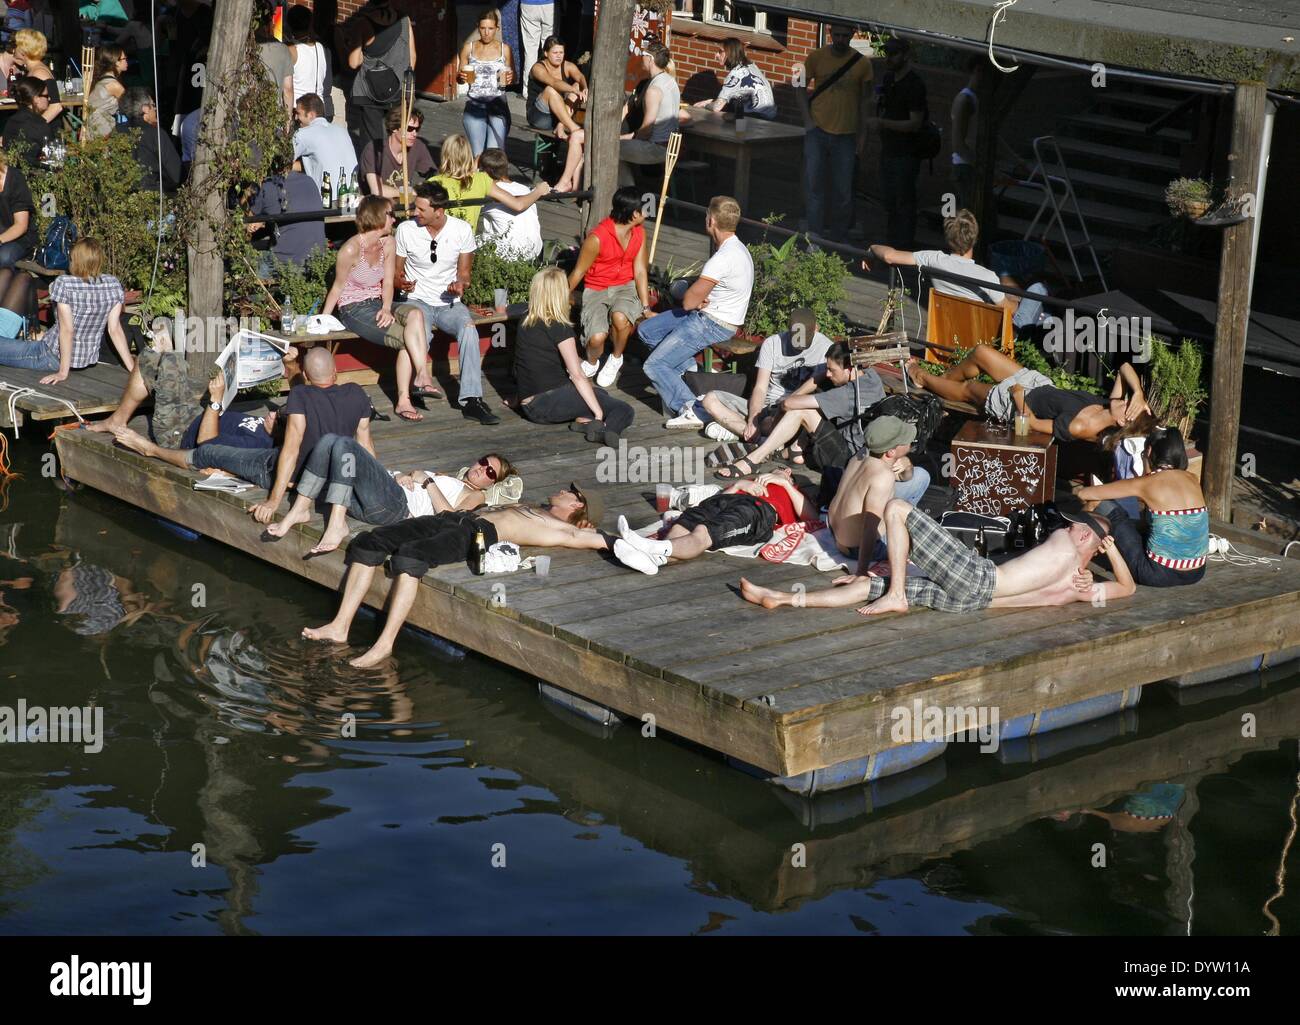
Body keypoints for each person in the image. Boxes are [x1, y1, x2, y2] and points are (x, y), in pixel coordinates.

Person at [302, 483, 608, 668]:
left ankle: (384, 645)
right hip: (450, 519)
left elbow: (603, 539)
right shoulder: (534, 506)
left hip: (477, 533)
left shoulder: (563, 529)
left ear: (578, 505)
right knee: (369, 541)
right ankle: (340, 626)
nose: (564, 490)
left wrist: (655, 539)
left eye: (571, 492)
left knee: (411, 556)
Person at [741, 501, 1136, 616]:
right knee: (865, 587)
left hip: (978, 578)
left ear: (1084, 534)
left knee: (897, 509)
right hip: (975, 601)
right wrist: (1112, 550)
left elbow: (1120, 581)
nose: (1063, 526)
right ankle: (782, 598)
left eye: (1072, 525)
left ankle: (894, 593)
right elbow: (1126, 588)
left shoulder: (1067, 543)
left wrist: (1104, 540)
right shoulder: (1077, 587)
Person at [265, 445, 521, 556]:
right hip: (384, 492)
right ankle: (238, 464)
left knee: (342, 444)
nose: (482, 469)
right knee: (327, 454)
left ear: (492, 483)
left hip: (395, 504)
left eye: (490, 472)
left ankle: (334, 524)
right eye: (484, 462)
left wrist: (426, 481)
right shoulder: (451, 478)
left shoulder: (475, 495)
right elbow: (411, 478)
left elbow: (450, 518)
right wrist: (403, 475)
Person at [389, 180, 499, 425]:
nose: (414, 213)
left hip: (449, 302)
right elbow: (395, 274)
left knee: (469, 330)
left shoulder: (461, 230)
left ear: (438, 211)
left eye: (420, 209)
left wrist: (459, 285)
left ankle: (471, 400)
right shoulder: (407, 229)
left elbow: (465, 273)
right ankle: (411, 391)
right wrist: (401, 283)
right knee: (419, 335)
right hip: (417, 301)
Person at [320, 194, 437, 422]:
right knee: (406, 338)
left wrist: (386, 308)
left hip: (376, 302)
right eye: (390, 215)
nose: (394, 220)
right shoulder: (350, 250)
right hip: (353, 308)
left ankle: (422, 375)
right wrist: (322, 321)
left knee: (416, 314)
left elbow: (389, 282)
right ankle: (404, 401)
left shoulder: (388, 242)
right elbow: (337, 288)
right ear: (377, 217)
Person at [639, 195, 753, 428]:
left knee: (654, 366)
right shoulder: (739, 248)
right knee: (647, 330)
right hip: (709, 316)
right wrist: (697, 298)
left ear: (711, 221)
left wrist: (690, 295)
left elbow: (689, 302)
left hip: (712, 322)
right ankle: (689, 371)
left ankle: (691, 407)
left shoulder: (722, 258)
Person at [906, 345, 1154, 446]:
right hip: (1037, 384)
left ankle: (922, 376)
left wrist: (1017, 396)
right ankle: (940, 382)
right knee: (981, 352)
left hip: (1017, 403)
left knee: (968, 390)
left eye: (1128, 404)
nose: (1126, 400)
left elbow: (1031, 424)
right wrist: (1140, 394)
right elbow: (1123, 368)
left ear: (1122, 421)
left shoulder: (1080, 426)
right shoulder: (1108, 405)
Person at [713, 341, 884, 479]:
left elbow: (789, 405)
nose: (828, 374)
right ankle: (794, 450)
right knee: (814, 401)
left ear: (849, 369)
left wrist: (779, 412)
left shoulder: (846, 394)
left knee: (801, 410)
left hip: (849, 460)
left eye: (832, 370)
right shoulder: (870, 376)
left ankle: (753, 460)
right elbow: (822, 380)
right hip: (862, 448)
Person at [248, 347, 374, 526]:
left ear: (306, 376)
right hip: (336, 482)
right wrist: (371, 489)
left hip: (298, 481)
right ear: (335, 371)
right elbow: (366, 447)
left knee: (217, 454)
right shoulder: (356, 393)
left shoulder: (300, 396)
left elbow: (290, 451)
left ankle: (200, 457)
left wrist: (273, 501)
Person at [1075, 426, 1209, 587]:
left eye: (1143, 454)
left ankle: (1070, 545)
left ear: (1150, 451)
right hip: (1197, 572)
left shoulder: (1148, 483)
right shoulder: (1192, 478)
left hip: (1157, 573)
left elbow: (1086, 494)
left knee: (1106, 506)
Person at [611, 470, 815, 575]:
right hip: (726, 499)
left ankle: (649, 548)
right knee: (686, 522)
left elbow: (811, 517)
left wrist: (785, 484)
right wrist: (739, 484)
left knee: (705, 531)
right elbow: (721, 496)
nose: (777, 471)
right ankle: (652, 560)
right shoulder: (756, 479)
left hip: (757, 510)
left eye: (783, 470)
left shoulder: (795, 492)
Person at [515, 266, 635, 446]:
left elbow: (524, 363)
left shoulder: (525, 320)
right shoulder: (559, 328)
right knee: (622, 408)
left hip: (528, 404)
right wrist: (598, 412)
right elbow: (577, 375)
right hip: (548, 404)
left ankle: (586, 424)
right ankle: (605, 429)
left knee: (599, 394)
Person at [0, 238, 132, 383]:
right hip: (86, 359)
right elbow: (115, 330)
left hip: (50, 356)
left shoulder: (65, 284)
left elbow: (68, 330)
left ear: (75, 259)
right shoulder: (112, 284)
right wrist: (132, 367)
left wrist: (63, 372)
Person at [699, 307, 832, 447]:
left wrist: (783, 407)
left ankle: (742, 433)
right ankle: (758, 439)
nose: (799, 348)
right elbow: (761, 388)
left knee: (770, 423)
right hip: (766, 406)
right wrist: (752, 419)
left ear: (816, 328)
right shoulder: (772, 344)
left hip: (792, 410)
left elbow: (814, 383)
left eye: (805, 343)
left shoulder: (826, 348)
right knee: (710, 400)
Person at [566, 185, 652, 387]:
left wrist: (646, 307)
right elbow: (578, 272)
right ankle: (593, 361)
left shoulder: (639, 233)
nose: (646, 212)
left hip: (625, 286)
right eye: (643, 209)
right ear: (633, 214)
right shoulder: (597, 238)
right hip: (597, 288)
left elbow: (640, 271)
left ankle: (615, 358)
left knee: (620, 318)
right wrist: (559, 296)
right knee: (596, 338)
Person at [796, 23, 872, 242]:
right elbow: (798, 87)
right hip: (817, 130)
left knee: (843, 190)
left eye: (845, 35)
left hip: (846, 134)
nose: (840, 39)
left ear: (852, 35)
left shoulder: (863, 64)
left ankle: (839, 238)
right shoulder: (816, 57)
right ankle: (815, 236)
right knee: (814, 185)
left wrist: (863, 135)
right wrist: (807, 121)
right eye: (836, 35)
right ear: (829, 34)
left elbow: (865, 103)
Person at [826, 416, 931, 573]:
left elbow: (904, 477)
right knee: (927, 539)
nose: (911, 441)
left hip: (836, 535)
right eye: (906, 440)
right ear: (891, 452)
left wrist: (907, 465)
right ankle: (903, 528)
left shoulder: (861, 455)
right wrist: (861, 572)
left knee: (920, 474)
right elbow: (869, 528)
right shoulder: (883, 476)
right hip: (857, 549)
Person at [432, 132, 550, 235]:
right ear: (469, 155)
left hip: (437, 237)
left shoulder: (433, 183)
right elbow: (518, 205)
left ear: (444, 155)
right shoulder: (481, 180)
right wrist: (538, 191)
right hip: (463, 244)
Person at [871, 37, 928, 249]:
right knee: (889, 201)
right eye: (887, 53)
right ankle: (892, 245)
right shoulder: (889, 79)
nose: (889, 58)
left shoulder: (915, 85)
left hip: (907, 154)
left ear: (905, 55)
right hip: (889, 150)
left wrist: (882, 122)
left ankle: (902, 248)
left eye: (893, 54)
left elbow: (915, 123)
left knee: (904, 203)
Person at [341, 0, 415, 150]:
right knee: (397, 134)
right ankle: (394, 168)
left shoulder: (362, 24)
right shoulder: (404, 19)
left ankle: (373, 170)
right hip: (398, 88)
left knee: (371, 140)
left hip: (369, 91)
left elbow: (354, 62)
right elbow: (412, 56)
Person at [246, 157, 327, 276]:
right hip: (317, 259)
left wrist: (247, 196)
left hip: (287, 263)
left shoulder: (268, 186)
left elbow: (249, 223)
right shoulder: (309, 181)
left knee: (246, 261)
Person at [527, 36, 586, 192]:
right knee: (551, 90)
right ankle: (573, 128)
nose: (559, 56)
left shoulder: (567, 66)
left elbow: (580, 76)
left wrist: (583, 87)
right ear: (546, 53)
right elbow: (553, 83)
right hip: (539, 116)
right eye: (555, 52)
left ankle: (561, 125)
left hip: (557, 117)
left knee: (576, 84)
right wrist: (572, 89)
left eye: (561, 52)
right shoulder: (538, 68)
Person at [618, 41, 679, 187]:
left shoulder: (653, 89)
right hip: (668, 147)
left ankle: (628, 194)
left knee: (607, 148)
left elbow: (646, 131)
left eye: (642, 55)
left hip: (655, 149)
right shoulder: (671, 81)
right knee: (615, 147)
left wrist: (620, 137)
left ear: (650, 59)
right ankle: (627, 191)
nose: (640, 58)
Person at [458, 9, 514, 156]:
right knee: (477, 154)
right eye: (483, 28)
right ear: (478, 27)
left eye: (490, 28)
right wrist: (461, 77)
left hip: (498, 104)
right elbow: (459, 75)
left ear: (497, 28)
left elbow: (512, 75)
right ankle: (477, 178)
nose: (486, 32)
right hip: (474, 104)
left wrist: (510, 78)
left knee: (494, 155)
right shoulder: (468, 48)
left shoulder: (505, 49)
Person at [476, 147, 543, 260]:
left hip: (511, 253)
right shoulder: (524, 189)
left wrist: (474, 169)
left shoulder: (488, 192)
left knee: (465, 241)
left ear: (484, 171)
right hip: (534, 250)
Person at [690, 37, 776, 121]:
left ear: (730, 53)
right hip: (769, 115)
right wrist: (709, 101)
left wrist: (704, 105)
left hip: (754, 119)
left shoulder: (735, 75)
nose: (716, 55)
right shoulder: (751, 66)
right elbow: (730, 97)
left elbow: (716, 107)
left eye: (720, 51)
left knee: (711, 118)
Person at [360, 105, 436, 199]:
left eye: (417, 129)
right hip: (377, 207)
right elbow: (377, 191)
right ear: (394, 128)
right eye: (409, 129)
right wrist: (409, 192)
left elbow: (433, 175)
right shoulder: (374, 149)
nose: (414, 134)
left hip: (405, 205)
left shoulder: (417, 146)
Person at [116, 88, 182, 192]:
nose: (155, 109)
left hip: (121, 198)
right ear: (146, 109)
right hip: (155, 199)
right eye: (153, 105)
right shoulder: (155, 134)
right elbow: (176, 175)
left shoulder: (116, 132)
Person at [292, 92, 358, 192]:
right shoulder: (342, 130)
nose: (296, 118)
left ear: (311, 115)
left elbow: (283, 162)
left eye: (298, 113)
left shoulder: (304, 133)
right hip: (352, 196)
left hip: (327, 201)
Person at [1, 77, 54, 165]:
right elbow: (53, 157)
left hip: (12, 172)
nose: (49, 99)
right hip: (35, 174)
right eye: (46, 96)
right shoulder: (40, 125)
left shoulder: (11, 120)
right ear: (36, 99)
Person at [12, 27, 61, 121]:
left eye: (16, 45)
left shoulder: (40, 73)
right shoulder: (34, 70)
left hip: (42, 132)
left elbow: (56, 106)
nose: (14, 48)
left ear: (23, 51)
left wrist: (34, 127)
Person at [285, 4, 329, 108]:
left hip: (299, 110)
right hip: (319, 108)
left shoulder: (291, 50)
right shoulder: (320, 47)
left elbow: (286, 88)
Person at [84, 45, 128, 139]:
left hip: (92, 125)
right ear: (116, 62)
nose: (126, 61)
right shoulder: (114, 85)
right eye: (124, 59)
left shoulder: (102, 77)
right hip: (102, 128)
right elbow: (130, 107)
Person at [254, 17, 295, 112]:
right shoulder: (283, 49)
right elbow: (288, 89)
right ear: (268, 25)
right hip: (273, 113)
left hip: (245, 111)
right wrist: (287, 123)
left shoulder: (242, 45)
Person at [519, 0, 554, 77]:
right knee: (550, 48)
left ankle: (527, 87)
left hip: (528, 4)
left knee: (530, 51)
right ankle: (548, 85)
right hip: (549, 5)